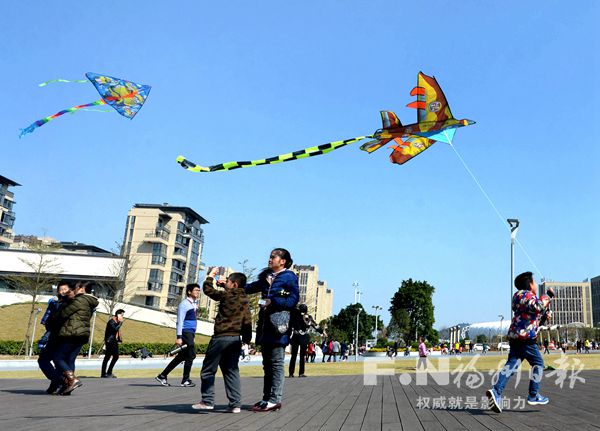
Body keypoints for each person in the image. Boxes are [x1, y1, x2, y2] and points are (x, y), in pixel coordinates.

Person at [486, 271, 553, 413]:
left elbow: (533, 317)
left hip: (516, 338)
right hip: (526, 339)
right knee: (538, 363)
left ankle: (496, 392)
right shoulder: (526, 295)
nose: (536, 285)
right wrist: (548, 295)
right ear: (530, 284)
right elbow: (538, 306)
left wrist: (543, 317)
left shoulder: (518, 297)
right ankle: (533, 395)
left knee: (511, 366)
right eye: (534, 282)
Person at [244, 248, 299, 412]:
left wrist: (272, 301)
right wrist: (229, 284)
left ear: (282, 261)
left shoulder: (289, 277)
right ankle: (266, 398)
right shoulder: (266, 277)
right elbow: (248, 287)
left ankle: (275, 399)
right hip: (264, 327)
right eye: (269, 256)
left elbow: (293, 300)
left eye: (273, 257)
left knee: (276, 364)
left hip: (278, 327)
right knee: (267, 365)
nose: (269, 259)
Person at [192, 268, 252, 413]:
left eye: (229, 281)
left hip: (221, 337)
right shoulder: (244, 299)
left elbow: (208, 290)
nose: (226, 283)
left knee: (208, 370)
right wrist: (246, 340)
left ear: (235, 285)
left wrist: (210, 276)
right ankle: (235, 404)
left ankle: (207, 400)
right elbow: (247, 321)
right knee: (231, 371)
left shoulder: (225, 296)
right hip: (235, 339)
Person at [53, 281, 99, 395]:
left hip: (72, 333)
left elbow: (62, 314)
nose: (74, 289)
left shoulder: (79, 300)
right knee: (70, 360)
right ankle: (68, 386)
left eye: (76, 287)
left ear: (82, 288)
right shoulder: (89, 301)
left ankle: (72, 380)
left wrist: (62, 301)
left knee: (58, 358)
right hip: (82, 334)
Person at [156, 283, 201, 387]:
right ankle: (185, 380)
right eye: (196, 290)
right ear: (189, 292)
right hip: (185, 332)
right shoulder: (184, 304)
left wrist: (193, 336)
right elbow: (180, 321)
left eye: (199, 290)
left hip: (190, 333)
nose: (198, 292)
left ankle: (162, 375)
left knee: (182, 356)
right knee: (191, 355)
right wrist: (179, 337)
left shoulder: (194, 303)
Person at [37, 280, 71, 394]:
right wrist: (45, 322)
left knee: (52, 360)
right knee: (46, 360)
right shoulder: (54, 301)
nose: (62, 292)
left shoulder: (70, 302)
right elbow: (48, 314)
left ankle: (61, 382)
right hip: (54, 334)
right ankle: (58, 382)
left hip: (61, 336)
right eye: (60, 290)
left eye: (65, 289)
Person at [288, 304, 320, 378]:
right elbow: (315, 325)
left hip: (299, 337)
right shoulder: (297, 316)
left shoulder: (307, 317)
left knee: (297, 356)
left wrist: (321, 331)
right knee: (297, 356)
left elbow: (314, 325)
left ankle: (292, 373)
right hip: (300, 337)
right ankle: (299, 373)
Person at [101, 309, 125, 378]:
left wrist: (119, 340)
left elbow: (117, 332)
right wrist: (120, 323)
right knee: (107, 357)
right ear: (118, 315)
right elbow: (115, 329)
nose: (122, 317)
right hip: (109, 341)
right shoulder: (111, 321)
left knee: (116, 356)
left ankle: (109, 372)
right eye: (122, 315)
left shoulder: (116, 322)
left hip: (114, 341)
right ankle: (103, 373)